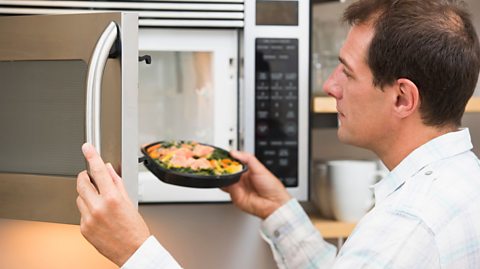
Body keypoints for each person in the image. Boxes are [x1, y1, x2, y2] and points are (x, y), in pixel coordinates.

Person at [76, 0, 480, 268]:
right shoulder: (461, 181)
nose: (330, 85)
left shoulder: (408, 226)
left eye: (348, 72)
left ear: (402, 98)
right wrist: (278, 210)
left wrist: (135, 250)